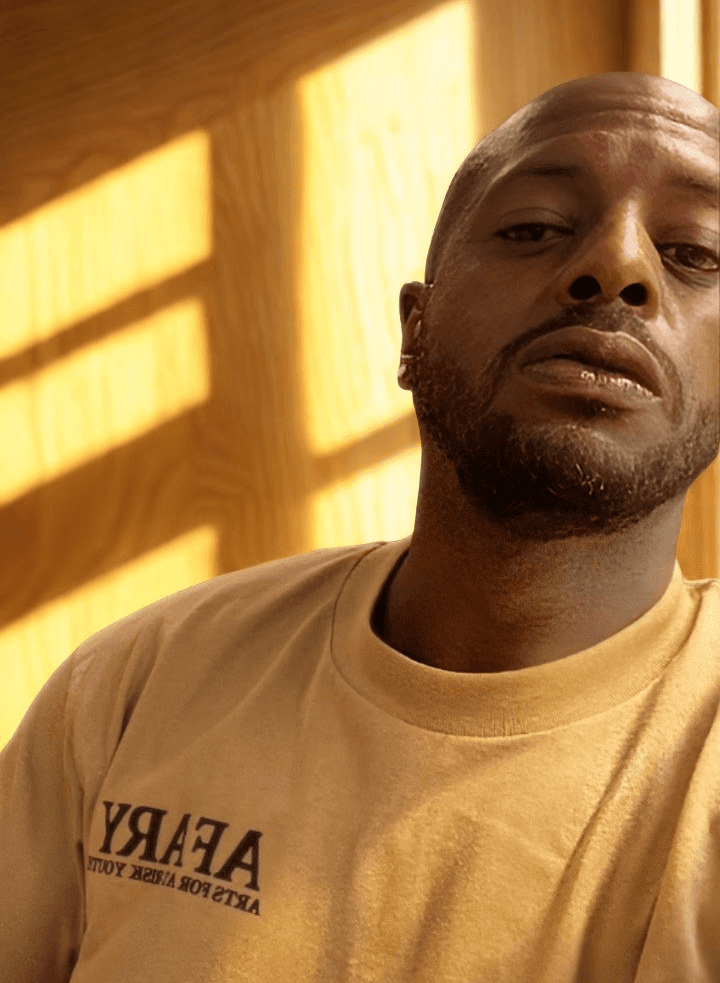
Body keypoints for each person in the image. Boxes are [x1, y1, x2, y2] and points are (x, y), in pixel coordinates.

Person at [1, 71, 718, 983]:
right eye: (535, 227)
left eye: (696, 250)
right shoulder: (135, 688)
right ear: (415, 330)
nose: (616, 265)